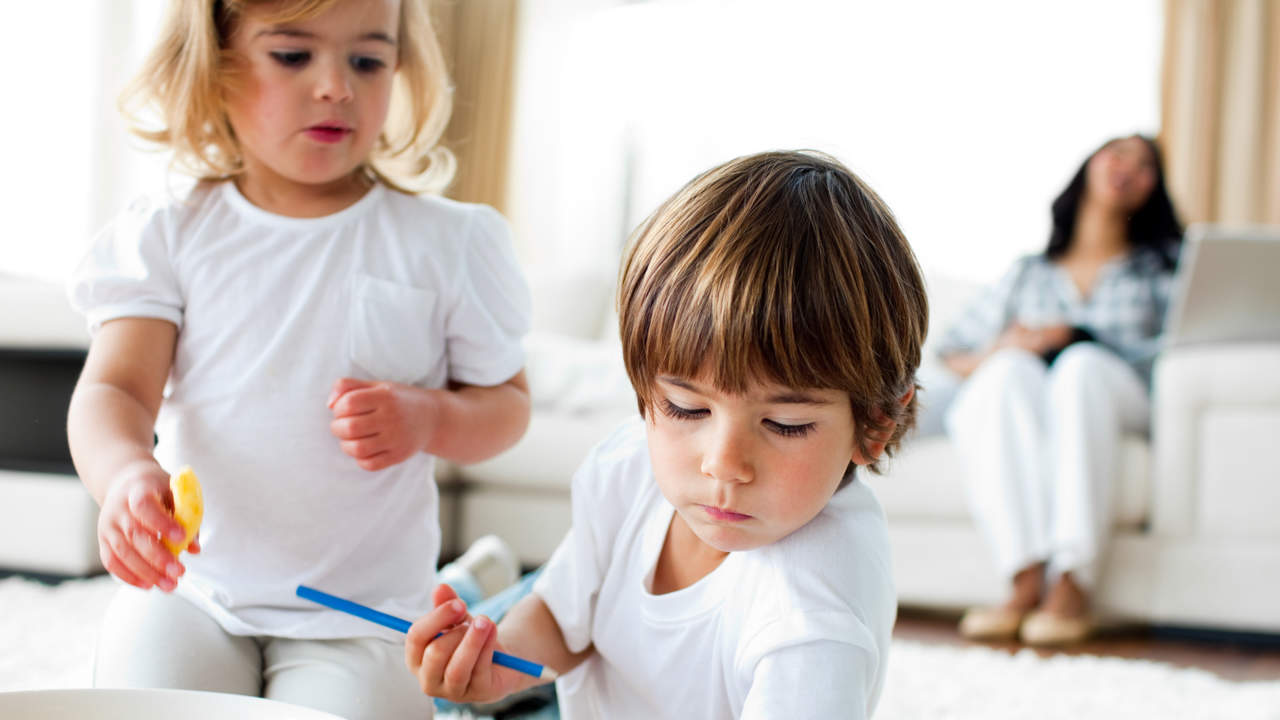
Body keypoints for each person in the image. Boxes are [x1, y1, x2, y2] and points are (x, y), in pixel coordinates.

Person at [65, 1, 531, 717]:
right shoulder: (169, 230)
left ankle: (466, 589)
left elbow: (507, 407)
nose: (336, 86)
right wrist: (123, 471)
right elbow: (115, 391)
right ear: (214, 66)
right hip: (196, 592)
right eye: (292, 56)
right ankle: (474, 579)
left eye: (368, 60)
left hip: (362, 615)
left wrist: (431, 415)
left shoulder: (448, 241)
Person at [404, 150, 930, 719]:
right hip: (602, 681)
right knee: (449, 686)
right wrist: (496, 661)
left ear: (875, 424)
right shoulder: (629, 465)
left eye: (785, 424)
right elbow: (561, 616)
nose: (723, 464)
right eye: (684, 408)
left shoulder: (814, 613)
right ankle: (485, 581)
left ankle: (484, 577)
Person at [937, 135, 1183, 645]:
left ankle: (1072, 581)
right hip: (1035, 398)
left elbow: (1176, 348)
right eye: (1119, 154)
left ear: (1153, 190)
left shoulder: (1159, 270)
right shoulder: (1028, 273)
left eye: (1146, 166)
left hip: (1119, 393)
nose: (1129, 169)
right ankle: (1025, 575)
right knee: (1004, 374)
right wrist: (1005, 347)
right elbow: (949, 351)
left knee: (1080, 366)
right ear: (1089, 166)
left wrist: (1077, 336)